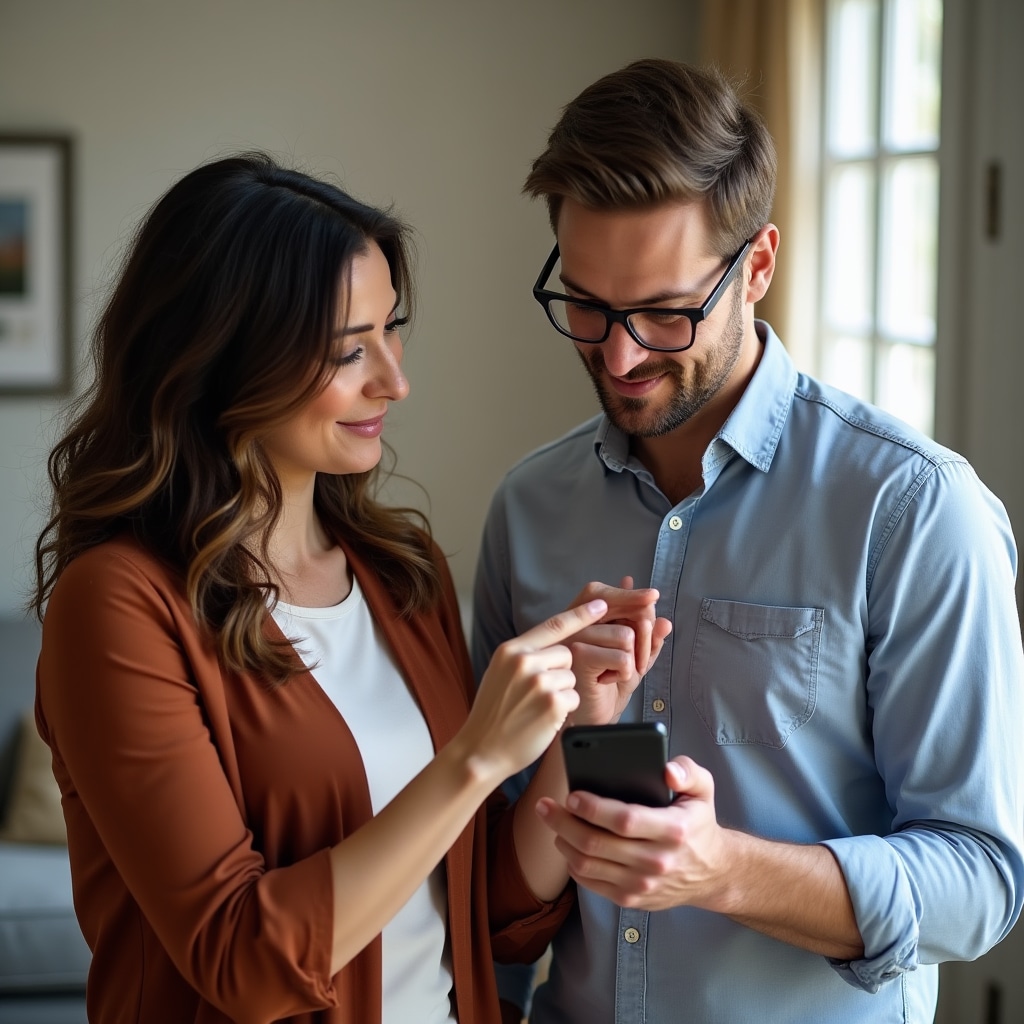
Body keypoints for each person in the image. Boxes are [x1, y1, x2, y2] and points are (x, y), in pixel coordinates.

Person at [30, 153, 666, 1024]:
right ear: (221, 360)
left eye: (390, 329)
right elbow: (242, 962)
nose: (393, 379)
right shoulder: (118, 606)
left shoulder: (403, 571)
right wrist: (475, 757)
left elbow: (486, 916)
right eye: (346, 352)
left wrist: (573, 728)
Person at [473, 59, 1024, 1023]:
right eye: (589, 306)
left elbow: (979, 882)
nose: (620, 355)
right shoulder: (528, 509)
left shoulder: (915, 510)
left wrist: (723, 871)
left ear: (757, 267)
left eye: (665, 312)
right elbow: (486, 858)